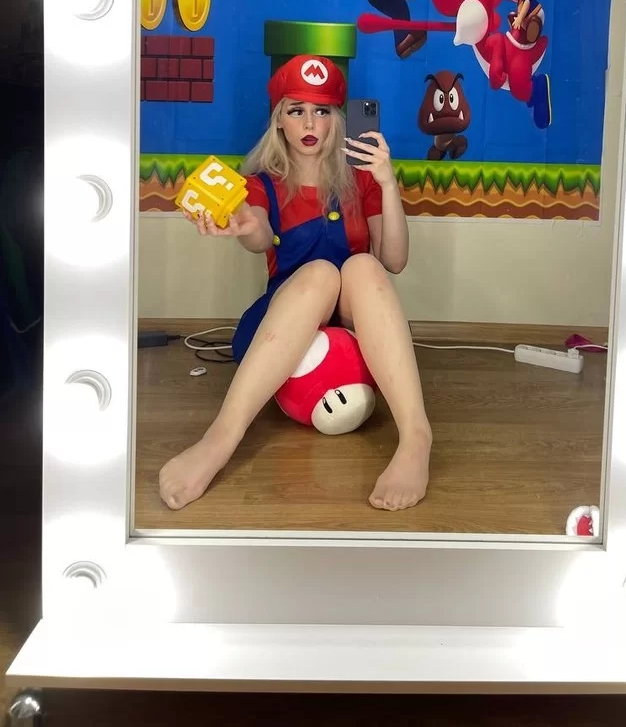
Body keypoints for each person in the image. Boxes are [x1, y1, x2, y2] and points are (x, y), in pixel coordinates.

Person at [158, 54, 432, 513]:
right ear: (279, 120)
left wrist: (387, 185)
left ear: (336, 120)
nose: (309, 123)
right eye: (296, 110)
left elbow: (395, 261)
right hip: (281, 330)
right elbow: (258, 234)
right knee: (322, 272)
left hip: (348, 338)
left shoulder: (362, 180)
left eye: (321, 111)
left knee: (364, 268)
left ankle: (416, 436)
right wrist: (246, 227)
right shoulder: (260, 185)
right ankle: (220, 437)